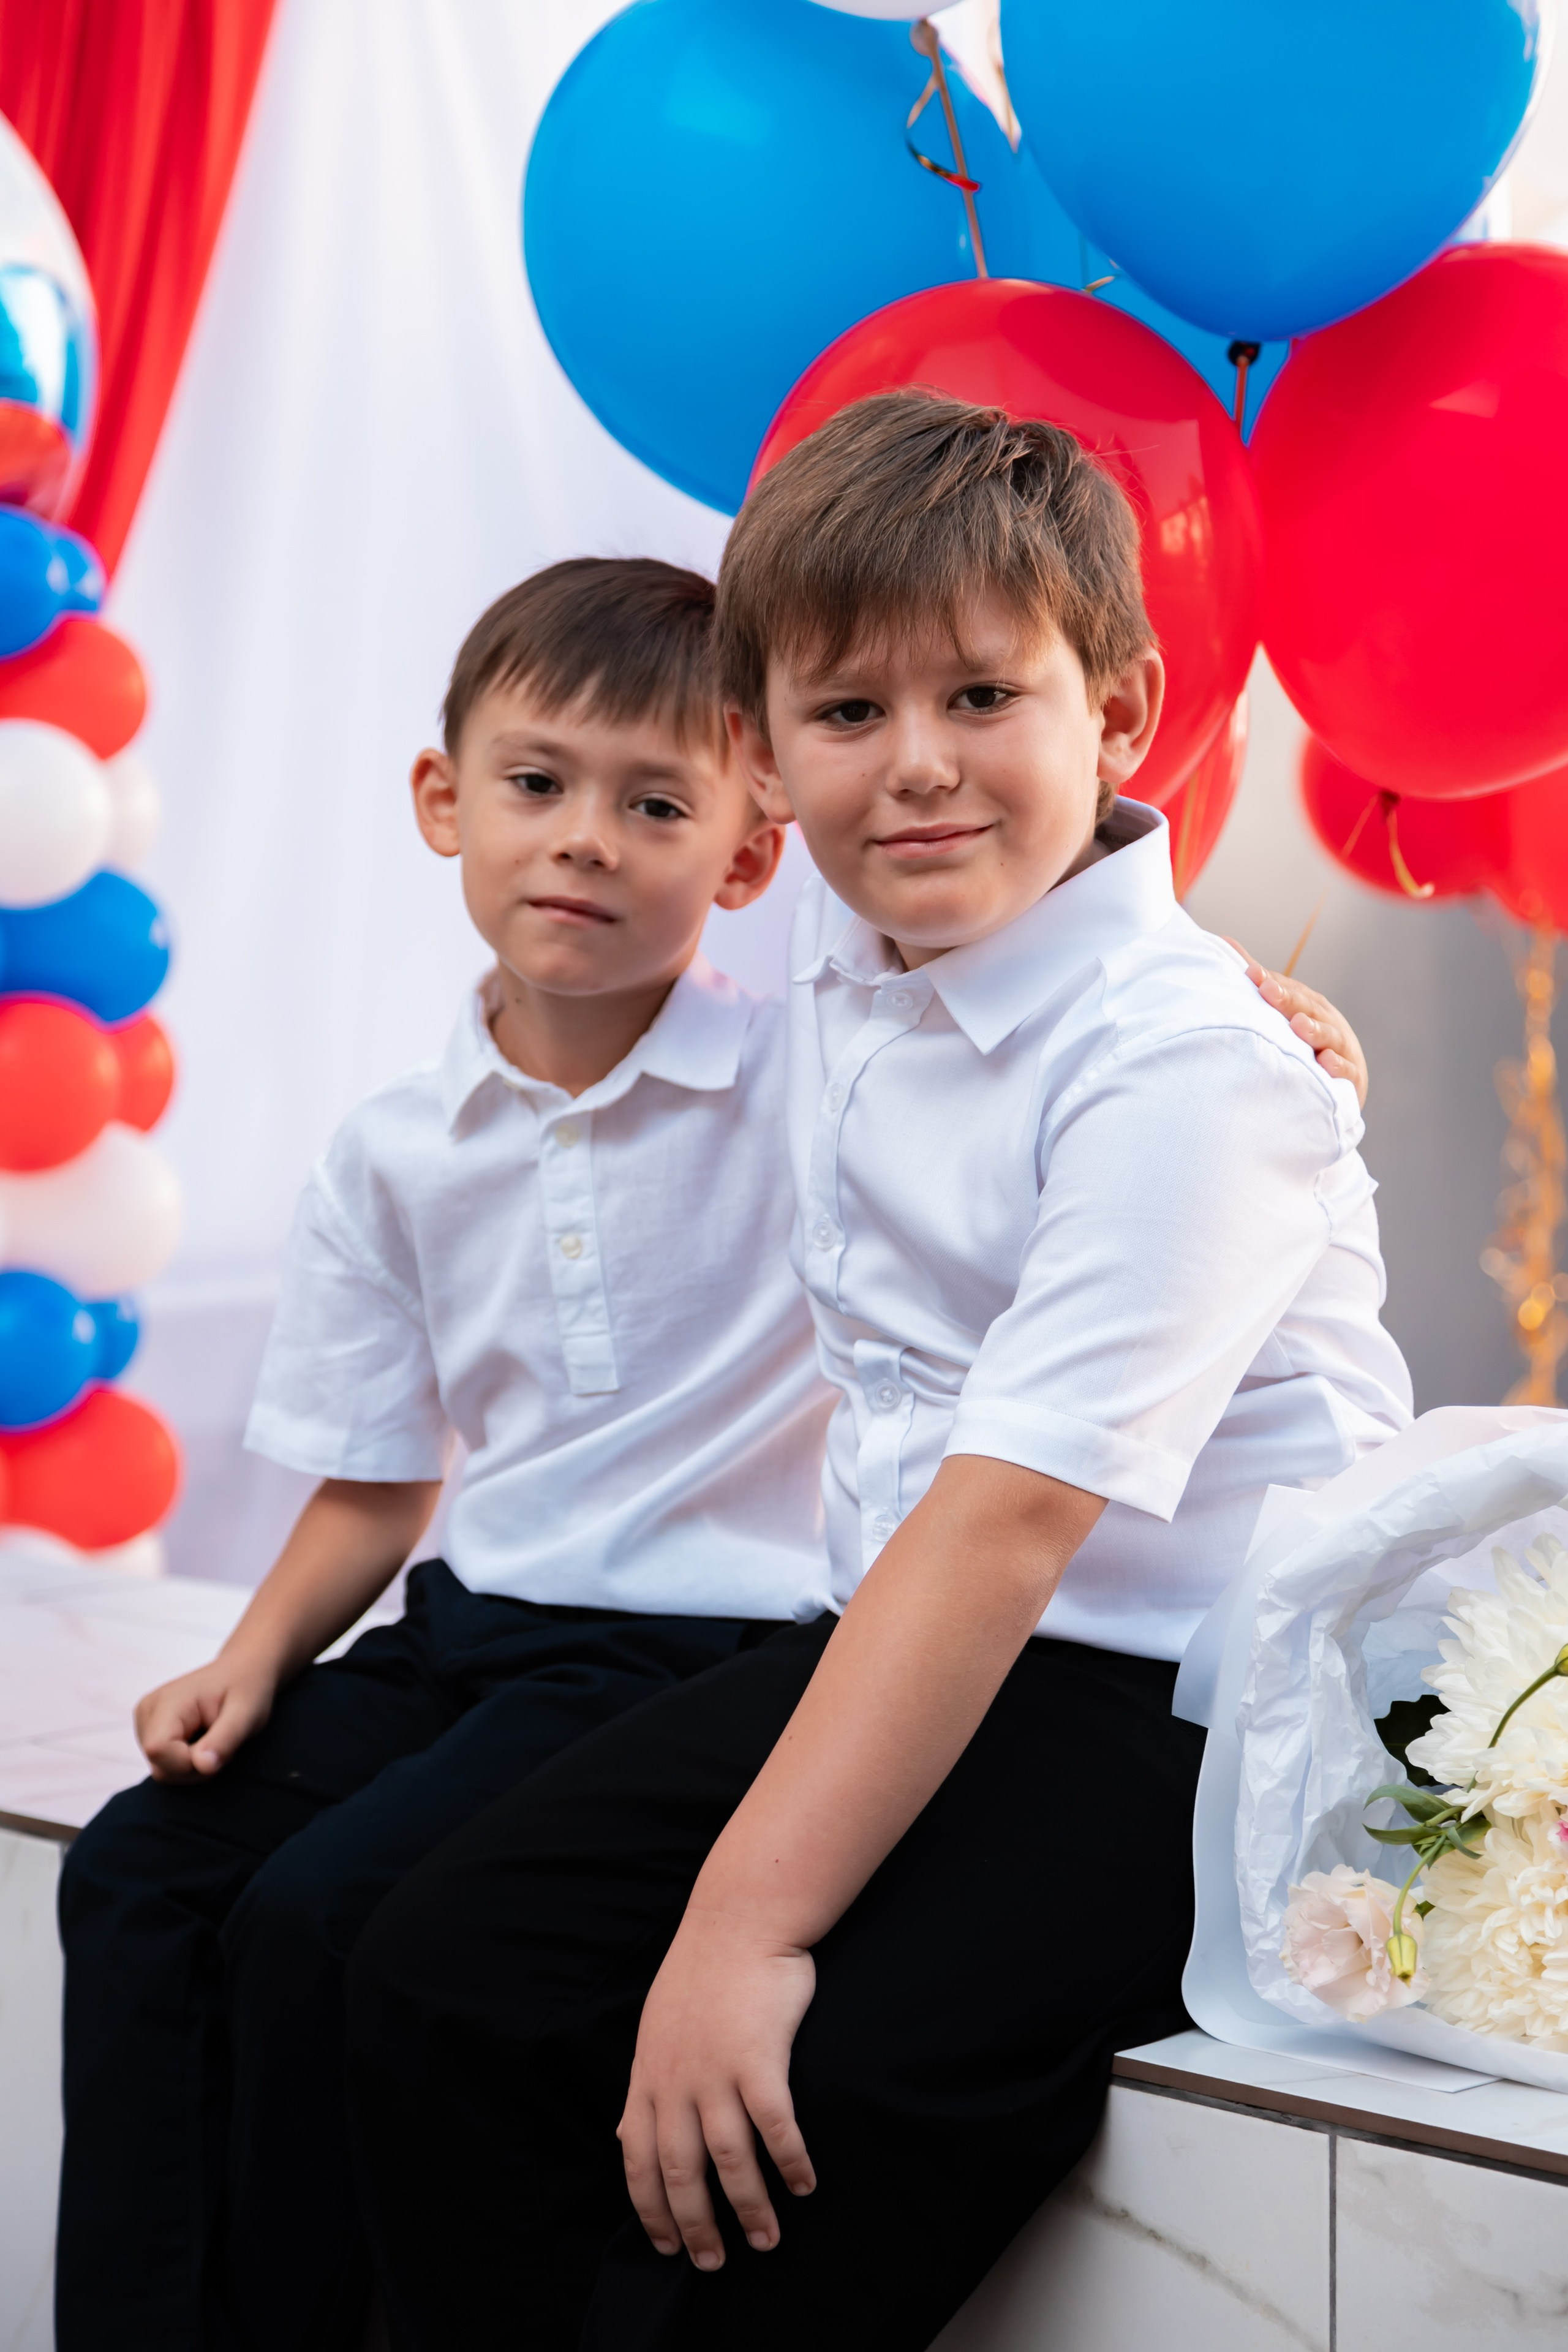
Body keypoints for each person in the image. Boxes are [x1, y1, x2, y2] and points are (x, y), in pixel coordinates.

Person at [342, 393, 1413, 2352]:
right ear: (760, 760)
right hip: (902, 1633)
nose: (914, 771)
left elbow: (1009, 1529)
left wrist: (738, 1934)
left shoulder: (1188, 1065)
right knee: (438, 1968)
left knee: (799, 2116)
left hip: (1177, 1713)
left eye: (982, 698)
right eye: (845, 717)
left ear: (1119, 714)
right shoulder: (855, 968)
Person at [53, 559, 834, 2352]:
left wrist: (1250, 1000)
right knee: (138, 1874)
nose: (585, 840)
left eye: (656, 804)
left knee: (332, 1918)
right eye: (538, 784)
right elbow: (382, 1477)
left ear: (745, 853)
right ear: (444, 802)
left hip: (700, 1665)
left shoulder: (810, 1083)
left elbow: (1015, 1033)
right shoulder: (397, 1147)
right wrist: (250, 1658)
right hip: (479, 1630)